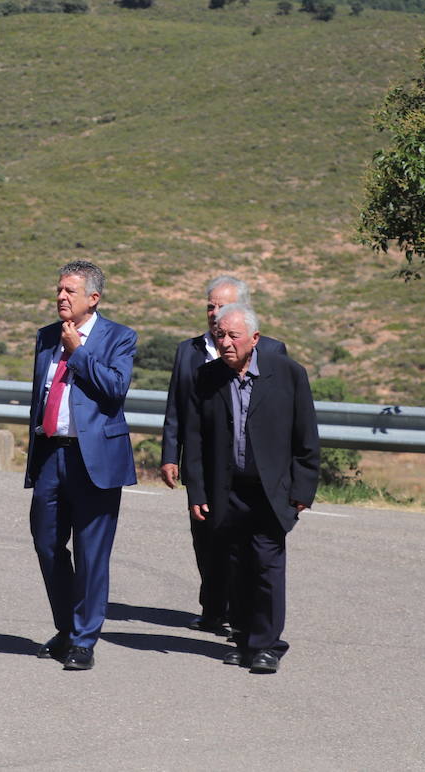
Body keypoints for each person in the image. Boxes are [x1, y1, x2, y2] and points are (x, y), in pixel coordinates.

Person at [182, 303, 320, 674]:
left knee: (266, 565)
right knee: (234, 566)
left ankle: (266, 645)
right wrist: (197, 492)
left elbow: (306, 437)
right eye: (219, 335)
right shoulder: (205, 377)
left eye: (233, 335)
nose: (225, 342)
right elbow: (193, 440)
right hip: (225, 490)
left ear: (255, 339)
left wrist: (302, 490)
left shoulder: (288, 374)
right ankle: (243, 640)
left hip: (270, 491)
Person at [159, 277, 287, 635]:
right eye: (211, 306)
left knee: (244, 544)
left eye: (224, 307)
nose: (216, 315)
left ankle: (237, 612)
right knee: (205, 537)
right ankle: (213, 606)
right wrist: (171, 454)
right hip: (204, 463)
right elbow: (177, 408)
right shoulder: (189, 351)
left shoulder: (274, 351)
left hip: (249, 467)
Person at [26, 260, 136, 672]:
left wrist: (80, 354)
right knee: (46, 542)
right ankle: (67, 629)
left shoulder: (119, 337)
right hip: (52, 454)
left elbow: (114, 389)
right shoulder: (46, 337)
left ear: (93, 298)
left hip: (95, 461)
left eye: (70, 291)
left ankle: (84, 639)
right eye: (58, 290)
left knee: (92, 554)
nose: (60, 297)